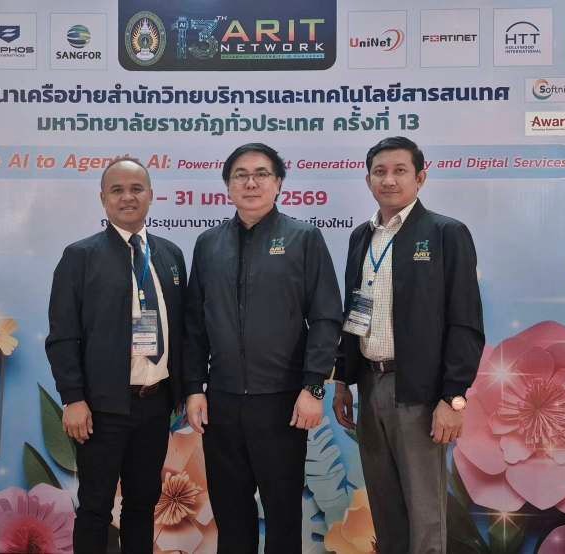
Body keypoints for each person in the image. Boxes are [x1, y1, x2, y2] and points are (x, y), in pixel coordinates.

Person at [183, 142, 343, 553]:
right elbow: (194, 324)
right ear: (228, 185)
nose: (250, 183)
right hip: (222, 403)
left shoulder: (304, 238)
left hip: (283, 402)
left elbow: (326, 318)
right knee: (231, 515)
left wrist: (313, 388)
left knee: (283, 515)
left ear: (279, 183)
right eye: (241, 175)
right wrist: (194, 388)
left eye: (261, 174)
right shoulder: (208, 243)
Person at [332, 136, 485, 554]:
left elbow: (465, 322)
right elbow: (353, 311)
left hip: (420, 391)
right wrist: (344, 380)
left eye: (400, 171)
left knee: (424, 512)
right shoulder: (361, 238)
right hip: (370, 385)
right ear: (368, 180)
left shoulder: (445, 233)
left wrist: (453, 398)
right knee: (386, 509)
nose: (389, 180)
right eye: (379, 172)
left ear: (420, 177)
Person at [45, 158, 187, 554]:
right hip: (101, 408)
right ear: (103, 199)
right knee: (95, 507)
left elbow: (185, 329)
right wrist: (73, 398)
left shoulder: (170, 255)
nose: (128, 197)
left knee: (142, 504)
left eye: (136, 189)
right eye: (117, 190)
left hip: (155, 404)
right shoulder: (80, 256)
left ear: (151, 195)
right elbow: (63, 335)